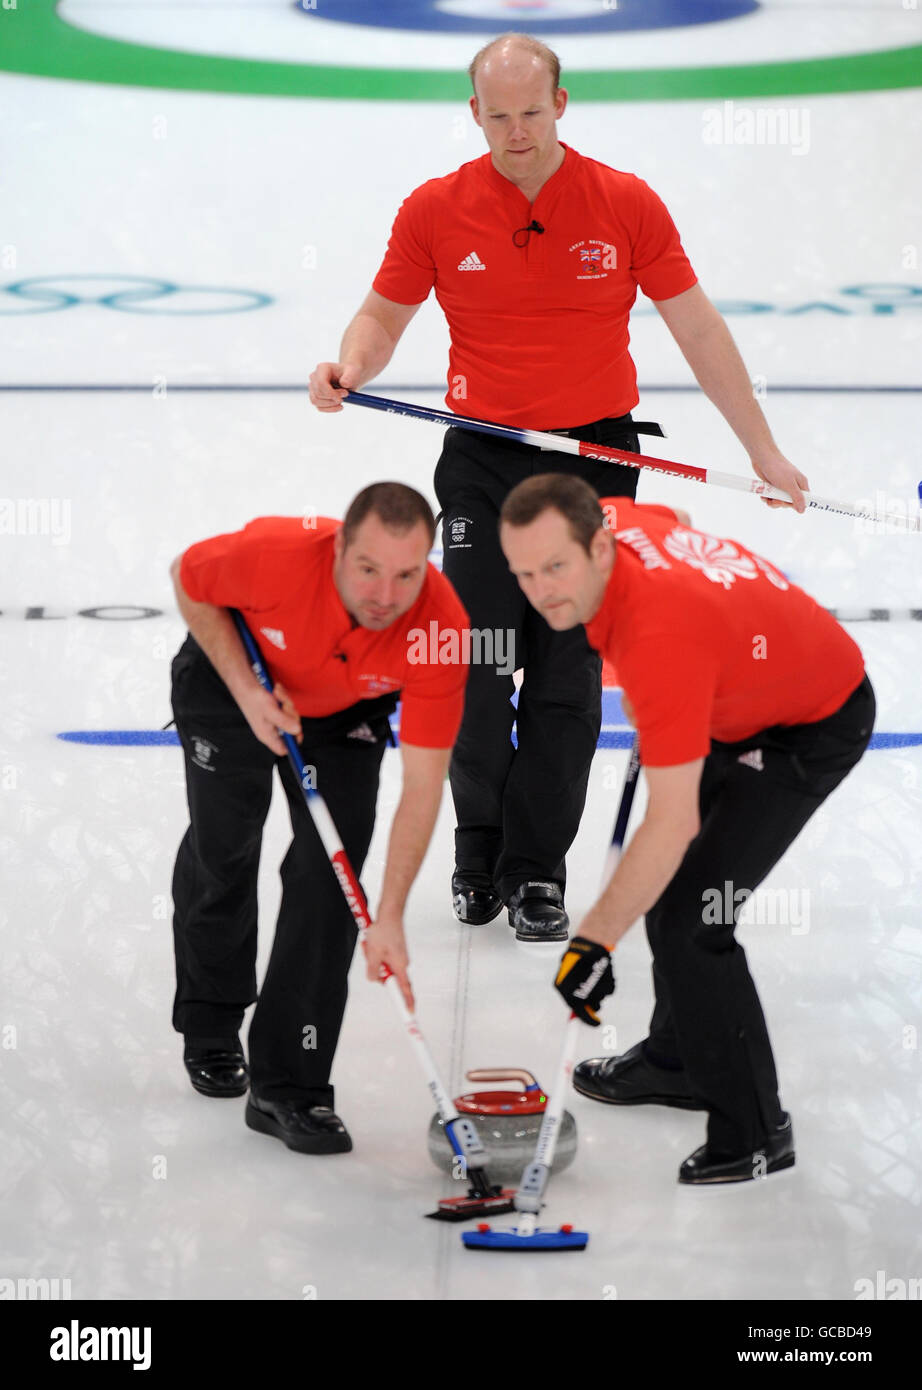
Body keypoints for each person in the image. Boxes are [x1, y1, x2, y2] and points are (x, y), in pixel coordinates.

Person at [309, 32, 808, 945]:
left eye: (531, 112)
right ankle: (479, 851)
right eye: (497, 116)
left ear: (562, 105)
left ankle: (537, 869)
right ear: (474, 115)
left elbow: (695, 328)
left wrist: (764, 452)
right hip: (483, 463)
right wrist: (353, 362)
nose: (516, 132)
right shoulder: (435, 208)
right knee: (477, 660)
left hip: (593, 464)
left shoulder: (623, 202)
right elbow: (383, 315)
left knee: (567, 676)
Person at [498, 474, 875, 1184]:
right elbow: (676, 515)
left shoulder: (659, 638)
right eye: (524, 573)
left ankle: (758, 1131)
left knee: (693, 920)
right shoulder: (605, 520)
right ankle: (678, 1059)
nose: (542, 590)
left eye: (556, 568)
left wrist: (593, 941)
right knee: (674, 897)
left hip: (812, 723)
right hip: (737, 691)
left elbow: (671, 825)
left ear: (601, 548)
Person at [169, 483, 468, 1154]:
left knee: (333, 884)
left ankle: (289, 1086)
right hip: (233, 682)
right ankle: (212, 1023)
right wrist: (248, 693)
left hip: (344, 716)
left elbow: (423, 786)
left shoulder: (443, 630)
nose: (386, 595)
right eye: (368, 568)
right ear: (338, 547)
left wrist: (389, 913)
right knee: (225, 849)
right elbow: (188, 578)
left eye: (407, 574)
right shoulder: (275, 554)